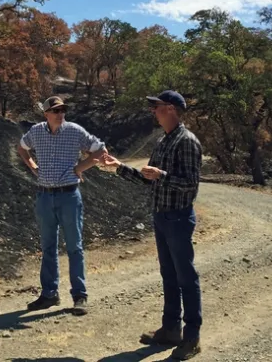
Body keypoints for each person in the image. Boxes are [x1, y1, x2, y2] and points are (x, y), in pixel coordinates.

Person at [103, 90, 202, 360]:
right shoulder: (163, 141)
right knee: (168, 276)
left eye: (156, 107)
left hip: (179, 217)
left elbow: (191, 184)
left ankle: (191, 338)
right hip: (161, 216)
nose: (153, 112)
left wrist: (163, 175)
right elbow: (148, 178)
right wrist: (118, 166)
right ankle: (171, 330)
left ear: (170, 109)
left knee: (186, 278)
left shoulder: (187, 141)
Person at [17, 96, 107, 316]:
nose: (60, 114)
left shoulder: (75, 131)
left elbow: (100, 150)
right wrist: (32, 166)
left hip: (69, 196)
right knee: (48, 247)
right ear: (46, 113)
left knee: (74, 246)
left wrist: (81, 167)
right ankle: (49, 293)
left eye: (63, 110)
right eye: (56, 110)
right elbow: (21, 147)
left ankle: (79, 295)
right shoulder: (36, 132)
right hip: (45, 197)